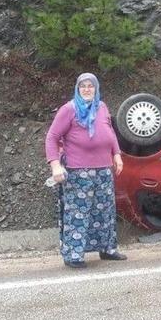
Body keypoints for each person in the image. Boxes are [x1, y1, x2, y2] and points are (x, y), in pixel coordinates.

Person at [45, 73, 126, 269]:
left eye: (91, 86)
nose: (87, 89)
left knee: (105, 211)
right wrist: (55, 165)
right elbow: (52, 137)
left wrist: (116, 154)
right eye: (83, 86)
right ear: (78, 88)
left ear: (96, 89)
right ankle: (74, 254)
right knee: (78, 213)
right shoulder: (69, 109)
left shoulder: (102, 107)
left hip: (103, 169)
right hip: (78, 170)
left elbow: (110, 132)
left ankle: (108, 248)